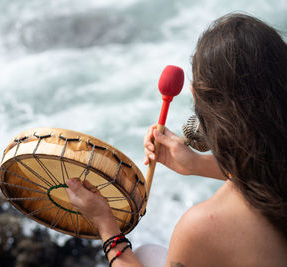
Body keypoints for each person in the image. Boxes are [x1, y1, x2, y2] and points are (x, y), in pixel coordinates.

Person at [65, 13, 287, 267]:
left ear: (195, 95)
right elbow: (266, 168)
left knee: (146, 254)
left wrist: (106, 225)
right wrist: (196, 164)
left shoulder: (203, 227)